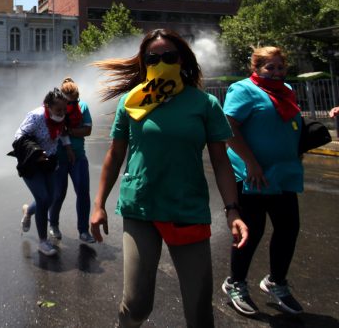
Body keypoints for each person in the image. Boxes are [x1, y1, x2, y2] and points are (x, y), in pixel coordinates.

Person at [90, 29, 248, 328]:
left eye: (169, 56)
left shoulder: (204, 104)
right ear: (144, 63)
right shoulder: (131, 102)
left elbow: (220, 160)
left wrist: (233, 210)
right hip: (141, 208)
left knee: (199, 312)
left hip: (187, 209)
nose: (161, 62)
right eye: (153, 58)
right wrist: (98, 205)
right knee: (136, 306)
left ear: (182, 60)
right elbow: (115, 154)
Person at [220, 47, 305, 316]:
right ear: (255, 68)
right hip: (252, 175)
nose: (276, 72)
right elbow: (228, 127)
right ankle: (235, 282)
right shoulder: (243, 90)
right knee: (251, 232)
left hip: (283, 174)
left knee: (288, 228)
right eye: (270, 67)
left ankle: (276, 281)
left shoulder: (286, 90)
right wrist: (251, 162)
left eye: (280, 67)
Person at [11, 88, 73, 257]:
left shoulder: (61, 117)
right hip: (31, 163)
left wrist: (68, 148)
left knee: (51, 198)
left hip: (49, 162)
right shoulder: (36, 116)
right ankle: (43, 242)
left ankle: (28, 211)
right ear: (48, 106)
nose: (62, 113)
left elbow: (63, 131)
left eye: (64, 109)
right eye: (58, 110)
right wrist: (36, 153)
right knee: (43, 198)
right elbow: (19, 136)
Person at [49, 77, 95, 244]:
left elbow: (88, 130)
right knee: (58, 194)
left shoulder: (83, 107)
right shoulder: (54, 107)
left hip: (78, 157)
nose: (72, 104)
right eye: (69, 102)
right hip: (58, 158)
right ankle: (53, 224)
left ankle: (83, 230)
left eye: (75, 101)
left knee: (83, 192)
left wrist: (69, 131)